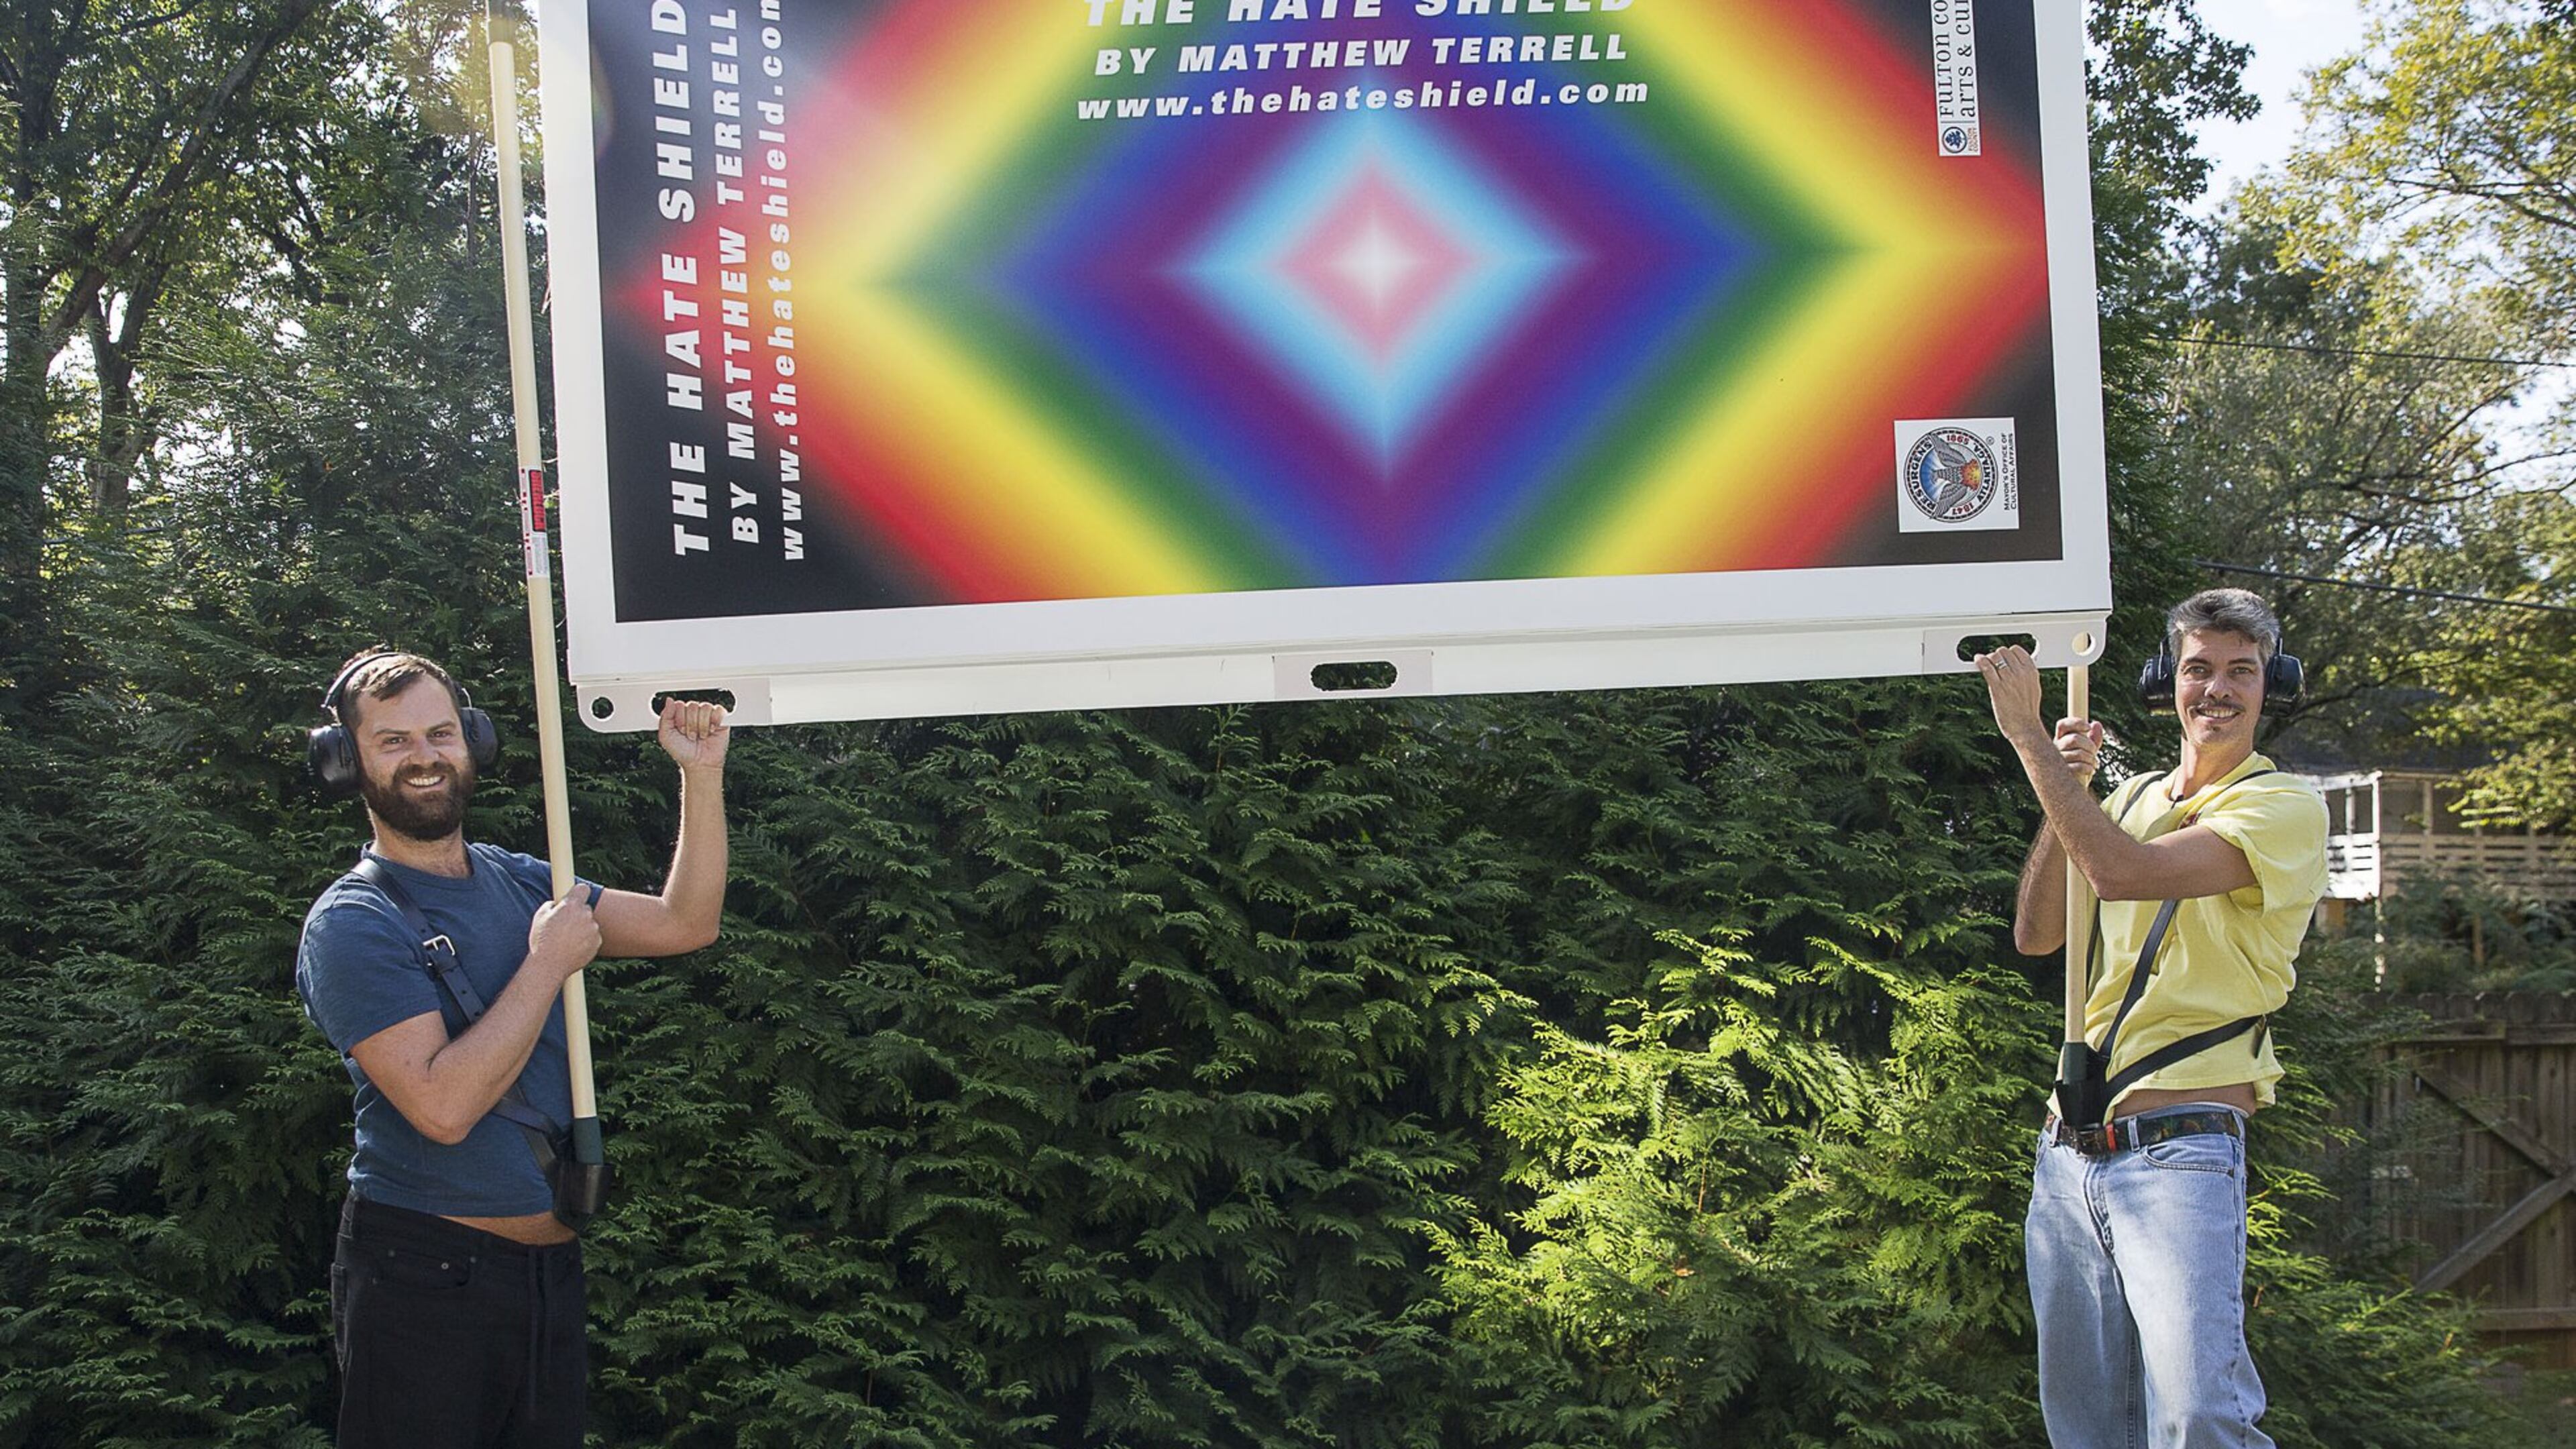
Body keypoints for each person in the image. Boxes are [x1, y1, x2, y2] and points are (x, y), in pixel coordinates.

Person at [295, 650, 731, 1448]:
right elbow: (444, 1108)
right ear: (343, 763)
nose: (424, 756)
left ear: (473, 742)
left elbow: (686, 922)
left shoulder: (525, 880)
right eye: (392, 741)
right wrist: (546, 963)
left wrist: (700, 775)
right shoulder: (352, 923)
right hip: (421, 1276)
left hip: (547, 1274)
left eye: (439, 732)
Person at [1976, 589, 2327, 1449]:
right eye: (2199, 669)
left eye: (2241, 672)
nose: (2218, 690)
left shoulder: (2283, 810)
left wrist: (2029, 740)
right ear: (2166, 682)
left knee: (2199, 1418)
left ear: (2269, 685)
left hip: (2183, 1148)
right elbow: (2037, 933)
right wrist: (2074, 789)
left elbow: (2126, 873)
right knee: (2089, 1429)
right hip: (2069, 1156)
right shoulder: (2126, 799)